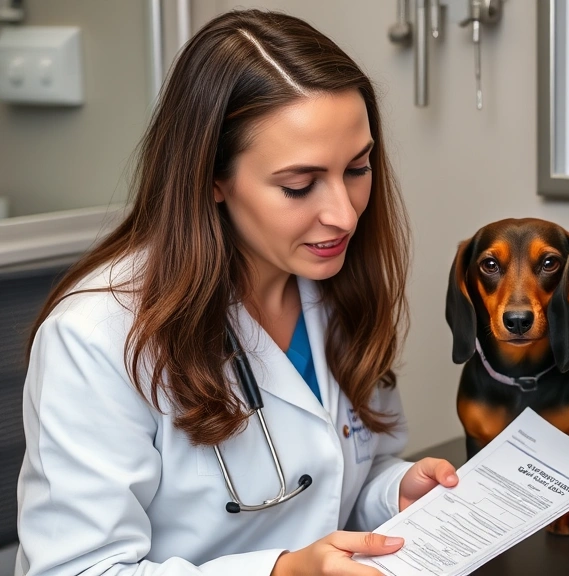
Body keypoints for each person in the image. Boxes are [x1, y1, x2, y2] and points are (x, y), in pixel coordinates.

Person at [15, 9, 458, 576]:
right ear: (213, 179)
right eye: (299, 186)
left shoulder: (334, 287)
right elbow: (75, 570)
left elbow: (331, 481)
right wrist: (282, 572)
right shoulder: (96, 338)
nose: (344, 215)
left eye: (358, 168)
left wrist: (391, 492)